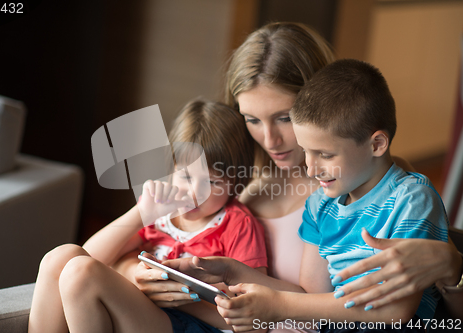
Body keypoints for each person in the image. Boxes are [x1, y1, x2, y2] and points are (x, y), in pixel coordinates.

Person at [131, 22, 462, 332]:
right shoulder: (252, 195)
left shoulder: (392, 190)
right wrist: (155, 274)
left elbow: (407, 307)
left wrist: (453, 270)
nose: (270, 140)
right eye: (252, 120)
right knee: (78, 266)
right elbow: (309, 298)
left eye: (284, 118)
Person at [27, 99, 268, 333]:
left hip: (197, 324)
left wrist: (183, 298)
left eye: (213, 182)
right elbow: (90, 255)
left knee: (82, 272)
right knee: (60, 258)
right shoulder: (162, 212)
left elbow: (254, 319)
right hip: (146, 313)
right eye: (185, 176)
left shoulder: (238, 224)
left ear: (236, 183)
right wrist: (141, 213)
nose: (195, 193)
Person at [291, 58, 448, 330]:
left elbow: (395, 310)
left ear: (376, 144)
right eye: (305, 151)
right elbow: (312, 299)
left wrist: (276, 305)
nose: (310, 168)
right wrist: (239, 277)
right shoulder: (319, 205)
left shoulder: (412, 201)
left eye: (325, 154)